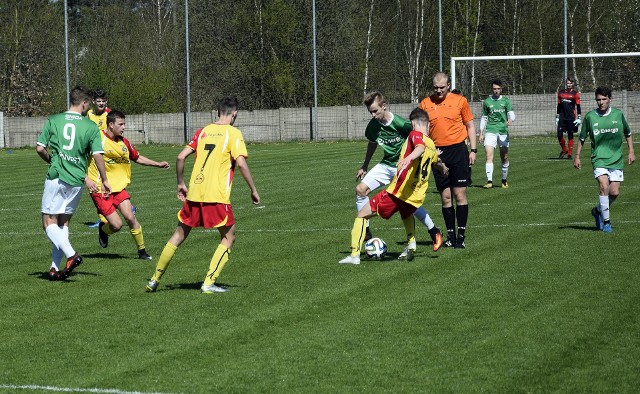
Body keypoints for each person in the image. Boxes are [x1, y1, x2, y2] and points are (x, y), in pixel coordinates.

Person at [145, 96, 260, 294]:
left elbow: (180, 157)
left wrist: (181, 183)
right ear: (235, 114)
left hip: (194, 194)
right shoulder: (233, 133)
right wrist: (253, 190)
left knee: (178, 235)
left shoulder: (203, 131)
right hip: (216, 196)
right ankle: (208, 282)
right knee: (229, 237)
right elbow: (240, 163)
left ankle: (154, 279)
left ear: (217, 112)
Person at [339, 107, 448, 264]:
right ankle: (411, 247)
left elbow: (419, 147)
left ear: (414, 123)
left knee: (361, 215)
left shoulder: (415, 135)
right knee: (406, 214)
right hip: (413, 195)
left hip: (396, 192)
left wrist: (408, 158)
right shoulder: (431, 144)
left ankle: (354, 256)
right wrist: (444, 168)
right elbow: (436, 162)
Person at [36, 86, 111, 281]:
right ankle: (54, 267)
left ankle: (71, 255)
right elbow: (98, 155)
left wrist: (51, 159)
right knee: (62, 222)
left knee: (48, 222)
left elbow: (39, 148)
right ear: (85, 103)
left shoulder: (54, 120)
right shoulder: (90, 126)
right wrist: (104, 179)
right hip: (78, 180)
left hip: (57, 176)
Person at [85, 110, 170, 260]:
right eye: (121, 124)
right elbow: (79, 156)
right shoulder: (97, 138)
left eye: (124, 124)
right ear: (111, 125)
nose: (124, 127)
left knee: (131, 217)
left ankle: (142, 251)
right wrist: (86, 178)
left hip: (118, 188)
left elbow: (137, 157)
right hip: (100, 189)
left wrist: (158, 164)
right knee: (116, 225)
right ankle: (104, 230)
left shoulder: (124, 142)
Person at [419, 72, 477, 248]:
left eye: (442, 88)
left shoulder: (460, 101)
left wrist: (473, 150)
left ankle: (461, 236)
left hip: (458, 151)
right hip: (438, 153)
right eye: (435, 88)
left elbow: (470, 126)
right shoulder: (425, 103)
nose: (438, 91)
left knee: (460, 194)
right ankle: (450, 237)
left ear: (448, 85)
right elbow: (422, 130)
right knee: (445, 197)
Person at [573, 86, 635, 233]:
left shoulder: (618, 115)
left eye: (604, 99)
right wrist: (577, 157)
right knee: (603, 186)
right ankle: (607, 222)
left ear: (610, 99)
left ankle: (598, 211)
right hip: (599, 158)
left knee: (614, 193)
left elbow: (628, 133)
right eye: (598, 100)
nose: (601, 102)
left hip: (616, 158)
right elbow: (582, 138)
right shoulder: (590, 117)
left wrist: (631, 151)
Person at [479, 79, 515, 189]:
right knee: (489, 156)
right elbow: (484, 118)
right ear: (492, 89)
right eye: (494, 89)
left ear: (501, 89)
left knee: (504, 157)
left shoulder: (506, 101)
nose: (496, 91)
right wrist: (481, 132)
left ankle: (504, 180)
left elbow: (512, 114)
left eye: (498, 89)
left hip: (503, 132)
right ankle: (489, 181)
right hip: (490, 131)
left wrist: (510, 120)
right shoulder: (487, 102)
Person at [556, 78, 581, 159]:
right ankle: (564, 150)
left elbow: (578, 106)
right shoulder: (561, 93)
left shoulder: (575, 94)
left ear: (572, 83)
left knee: (570, 134)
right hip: (562, 117)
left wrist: (579, 117)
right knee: (559, 134)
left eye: (570, 83)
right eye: (567, 83)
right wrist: (557, 116)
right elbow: (559, 105)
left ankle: (569, 154)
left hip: (571, 117)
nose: (569, 84)